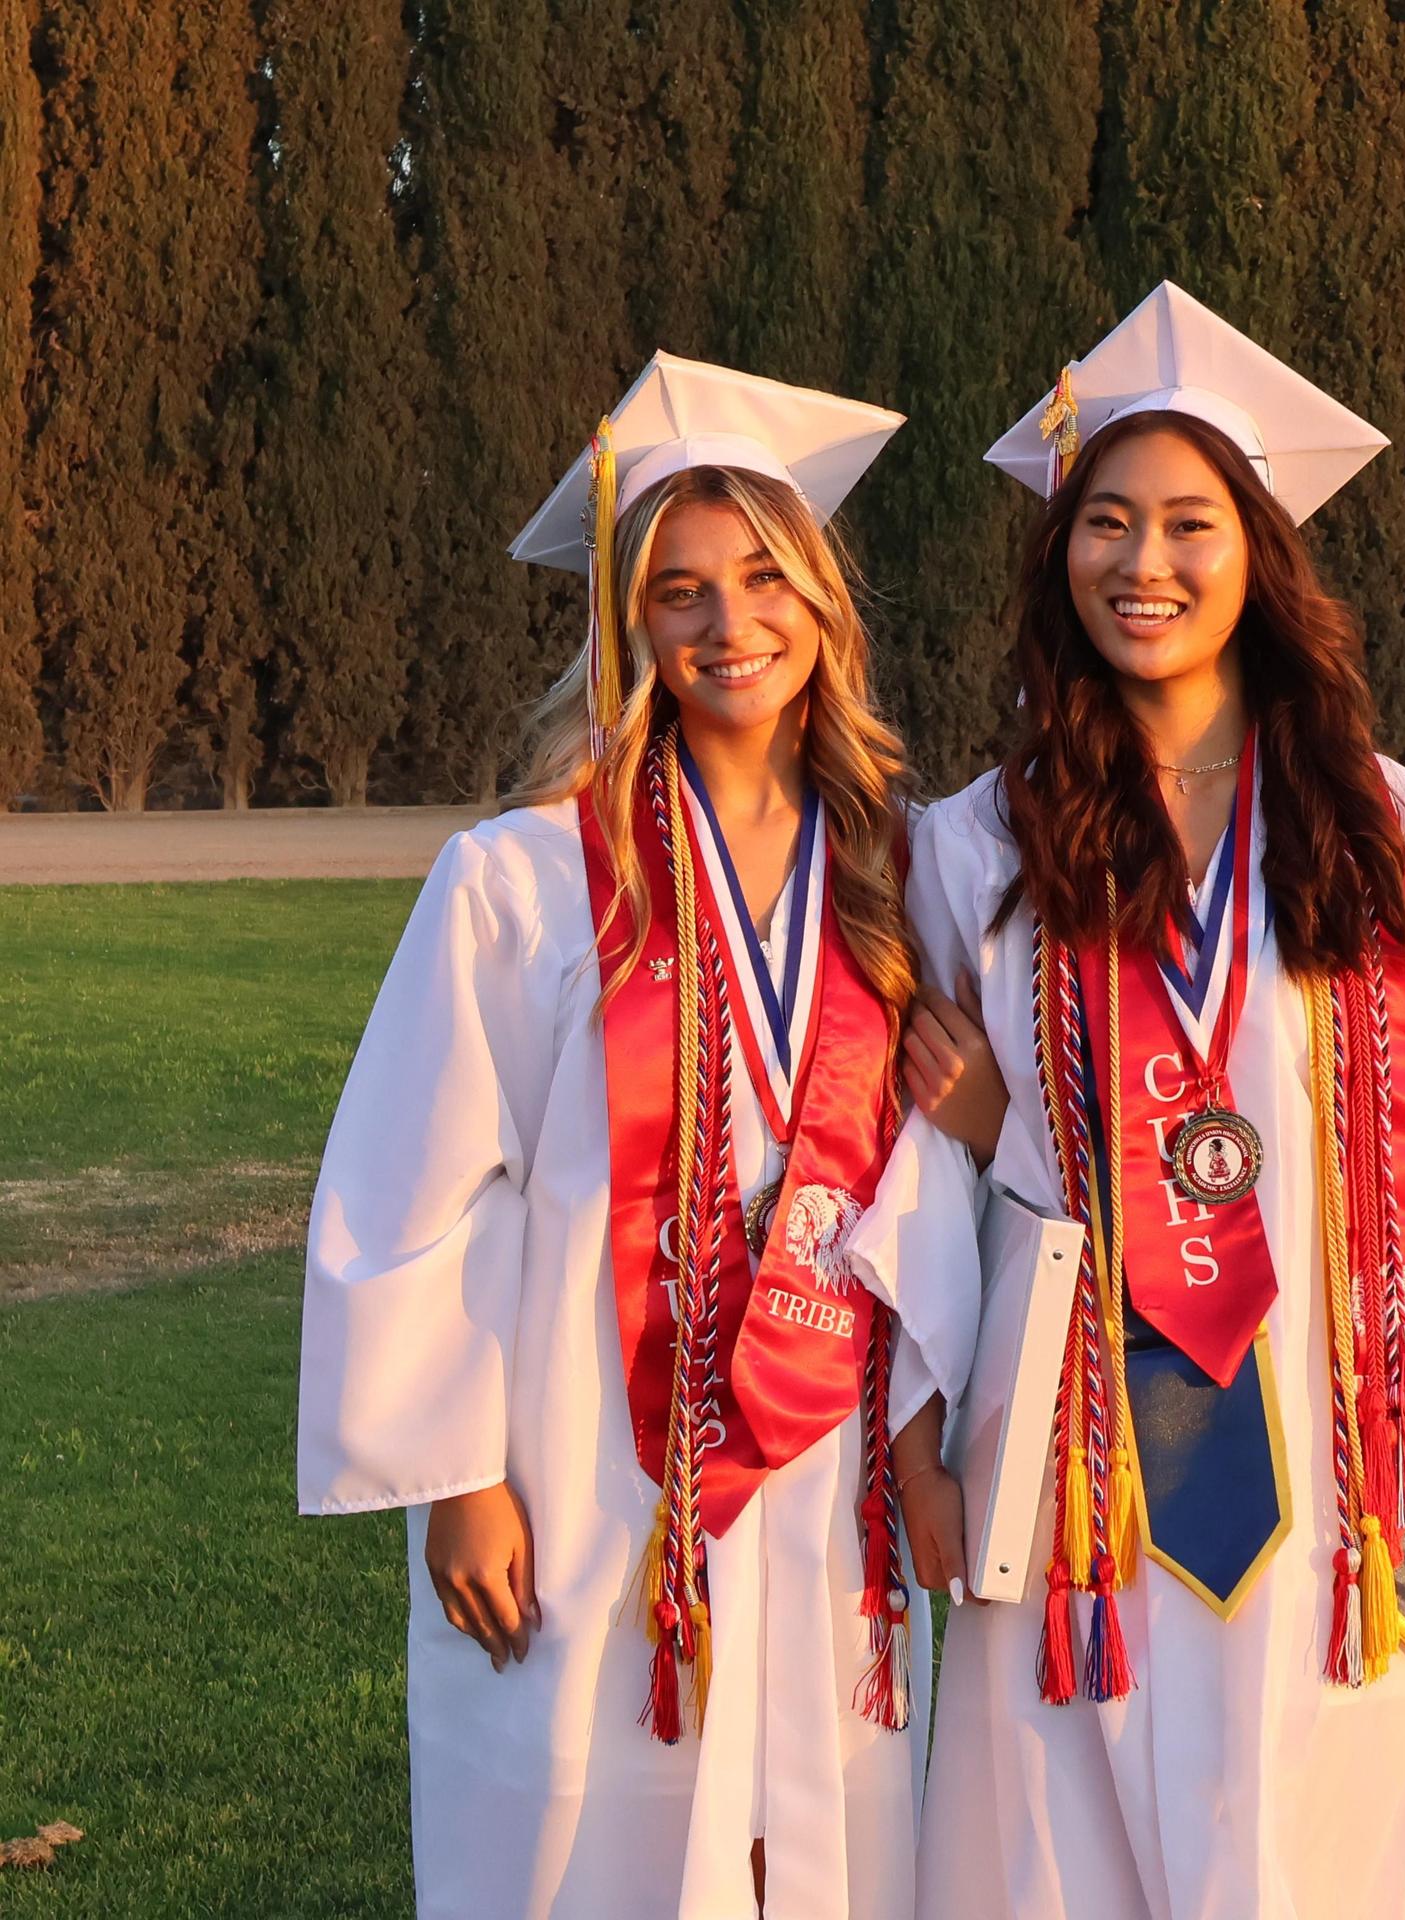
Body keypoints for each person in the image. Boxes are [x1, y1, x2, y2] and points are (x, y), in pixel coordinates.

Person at [900, 284, 1405, 1920]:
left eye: (1191, 523)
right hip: (1081, 1454)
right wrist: (925, 1447)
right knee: (1058, 1842)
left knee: (1364, 1796)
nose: (1145, 566)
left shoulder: (1400, 837)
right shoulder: (978, 848)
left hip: (1376, 1458)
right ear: (1058, 554)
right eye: (1109, 524)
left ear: (1260, 548)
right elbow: (919, 1185)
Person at [297, 354, 977, 1919]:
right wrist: (455, 1475)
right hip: (588, 1448)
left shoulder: (892, 867)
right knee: (584, 1828)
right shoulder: (525, 879)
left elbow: (924, 1171)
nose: (728, 626)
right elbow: (408, 1188)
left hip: (822, 1454)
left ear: (820, 601)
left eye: (762, 578)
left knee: (821, 1838)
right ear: (629, 625)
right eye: (679, 591)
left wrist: (930, 1431)